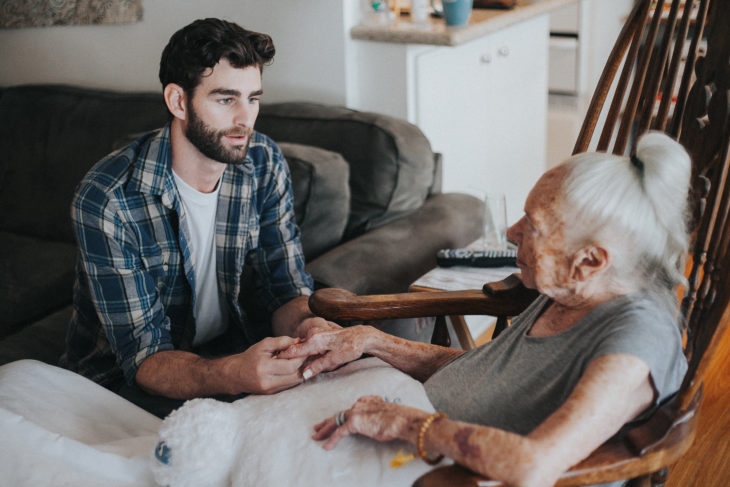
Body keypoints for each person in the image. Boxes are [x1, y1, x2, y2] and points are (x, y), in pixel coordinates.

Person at [280, 131, 690, 486]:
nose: (512, 233)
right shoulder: (571, 289)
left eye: (532, 225)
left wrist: (405, 423)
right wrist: (374, 342)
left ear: (590, 261)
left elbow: (534, 465)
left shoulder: (637, 339)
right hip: (427, 453)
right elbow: (488, 378)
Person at [60, 18, 338, 418]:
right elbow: (144, 356)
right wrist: (234, 374)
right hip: (120, 384)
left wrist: (307, 326)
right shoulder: (108, 198)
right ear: (177, 102)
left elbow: (284, 284)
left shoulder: (263, 161)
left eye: (253, 98)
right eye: (226, 100)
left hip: (229, 349)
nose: (246, 119)